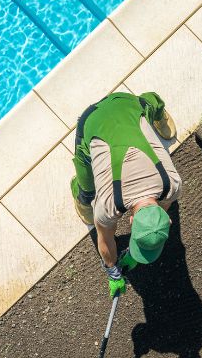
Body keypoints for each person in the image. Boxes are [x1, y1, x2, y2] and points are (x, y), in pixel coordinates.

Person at [70, 91, 181, 297]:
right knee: (87, 191)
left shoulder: (172, 185)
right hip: (93, 120)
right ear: (130, 222)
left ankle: (157, 113)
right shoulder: (108, 206)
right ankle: (80, 196)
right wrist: (112, 270)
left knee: (147, 106)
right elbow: (104, 239)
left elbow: (163, 207)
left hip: (128, 106)